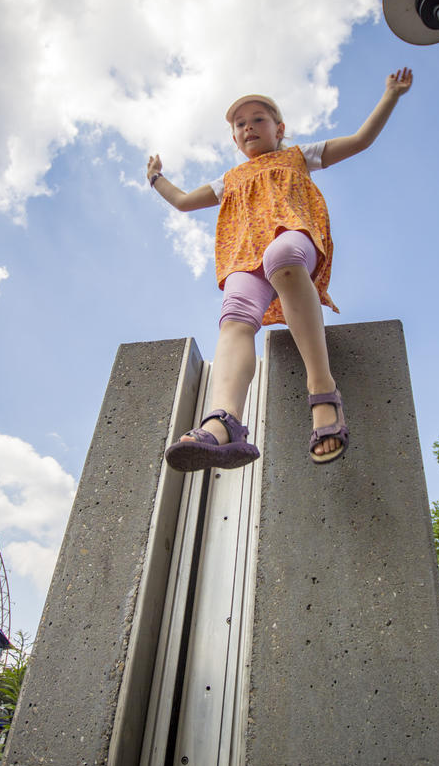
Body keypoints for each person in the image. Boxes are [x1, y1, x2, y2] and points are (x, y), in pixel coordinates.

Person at [147, 71, 413, 472]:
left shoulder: (298, 156)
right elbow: (184, 201)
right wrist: (156, 179)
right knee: (234, 317)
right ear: (234, 138)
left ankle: (322, 390)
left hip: (291, 237)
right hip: (242, 255)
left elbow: (360, 140)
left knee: (282, 257)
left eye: (258, 119)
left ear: (279, 128)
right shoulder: (229, 179)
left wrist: (391, 94)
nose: (248, 127)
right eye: (240, 124)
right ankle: (222, 420)